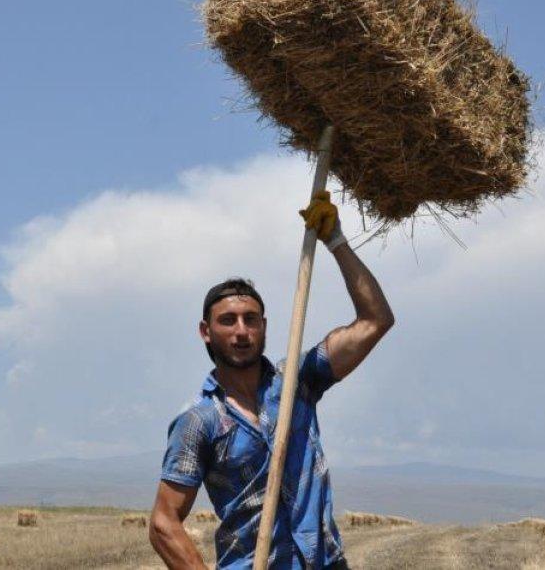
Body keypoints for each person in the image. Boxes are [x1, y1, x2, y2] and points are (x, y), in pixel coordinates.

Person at [148, 191, 395, 569]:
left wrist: (336, 241)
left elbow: (375, 320)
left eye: (251, 319)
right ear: (206, 332)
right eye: (227, 321)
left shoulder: (298, 380)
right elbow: (164, 523)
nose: (241, 331)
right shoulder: (200, 422)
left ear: (264, 327)